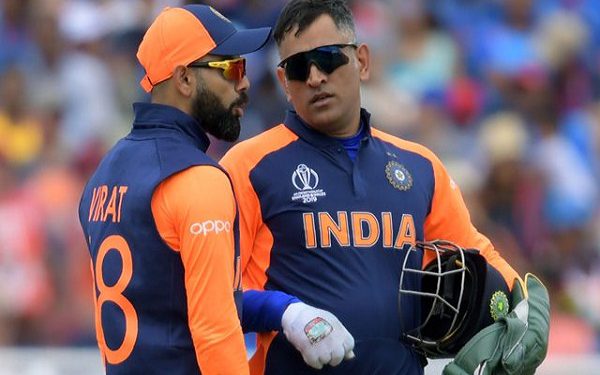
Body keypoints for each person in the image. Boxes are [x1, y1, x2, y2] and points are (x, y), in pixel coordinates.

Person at [221, 1, 548, 374]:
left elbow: (474, 252)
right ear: (283, 82)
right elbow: (212, 299)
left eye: (328, 59)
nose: (314, 77)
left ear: (361, 61)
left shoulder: (419, 166)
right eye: (298, 67)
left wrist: (524, 300)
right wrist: (286, 313)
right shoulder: (247, 166)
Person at [78, 5, 270, 374]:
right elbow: (216, 332)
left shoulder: (101, 175)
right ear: (184, 78)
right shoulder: (198, 178)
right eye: (231, 68)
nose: (243, 83)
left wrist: (280, 309)